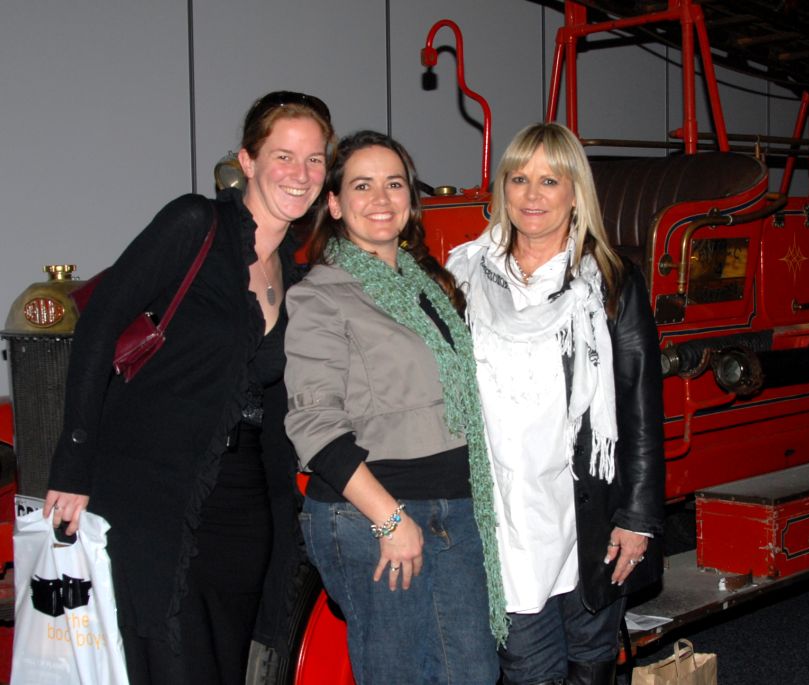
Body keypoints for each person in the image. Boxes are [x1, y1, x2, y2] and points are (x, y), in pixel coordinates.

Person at [44, 90, 335, 684]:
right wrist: (71, 465)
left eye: (314, 160)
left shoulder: (295, 272)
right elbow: (99, 326)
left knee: (223, 664)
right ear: (247, 161)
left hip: (246, 508)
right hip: (157, 493)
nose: (300, 174)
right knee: (169, 659)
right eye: (283, 156)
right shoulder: (196, 224)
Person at [445, 122, 665, 685]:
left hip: (583, 510)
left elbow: (640, 409)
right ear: (502, 188)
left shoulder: (610, 282)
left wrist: (637, 518)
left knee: (590, 657)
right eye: (519, 178)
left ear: (575, 192)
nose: (532, 195)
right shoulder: (463, 276)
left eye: (550, 180)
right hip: (502, 509)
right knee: (527, 666)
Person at [283, 130, 506, 685]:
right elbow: (313, 423)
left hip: (456, 509)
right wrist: (389, 519)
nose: (381, 199)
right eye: (362, 186)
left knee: (474, 674)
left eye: (394, 184)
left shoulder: (426, 285)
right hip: (376, 514)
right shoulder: (320, 295)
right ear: (335, 204)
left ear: (411, 199)